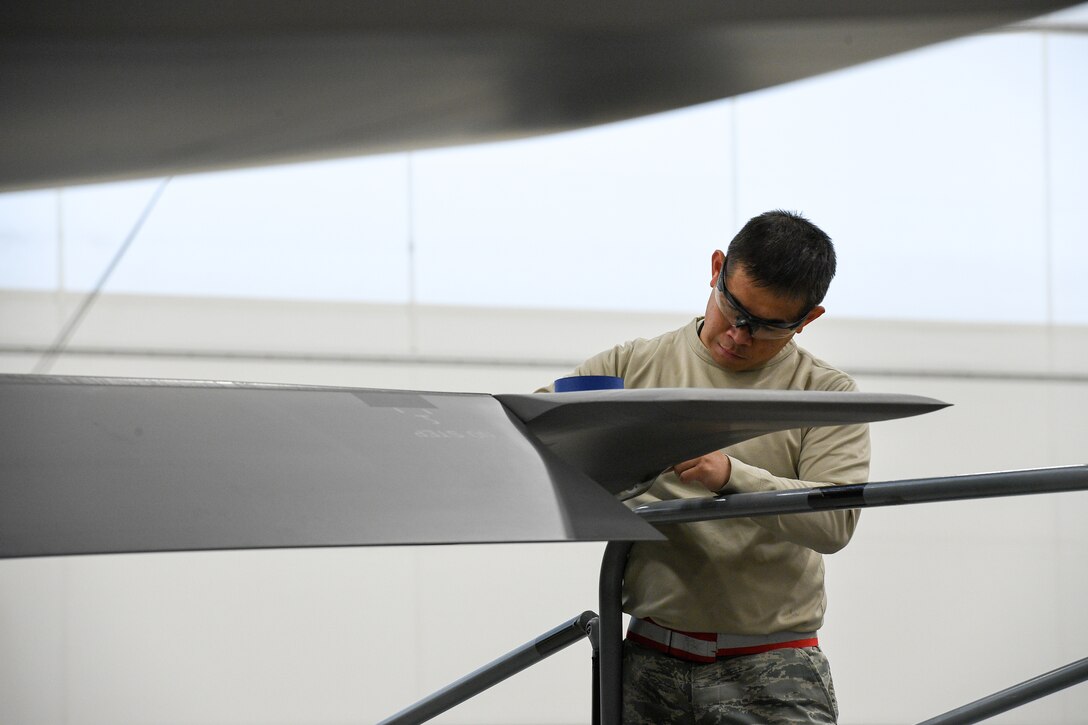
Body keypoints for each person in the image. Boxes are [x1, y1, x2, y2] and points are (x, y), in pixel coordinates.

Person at [554, 210, 869, 724]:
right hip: (647, 661)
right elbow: (543, 439)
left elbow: (834, 524)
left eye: (769, 326)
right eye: (735, 308)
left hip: (773, 666)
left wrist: (731, 476)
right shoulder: (631, 367)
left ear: (809, 318)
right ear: (716, 267)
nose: (740, 335)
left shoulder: (827, 395)